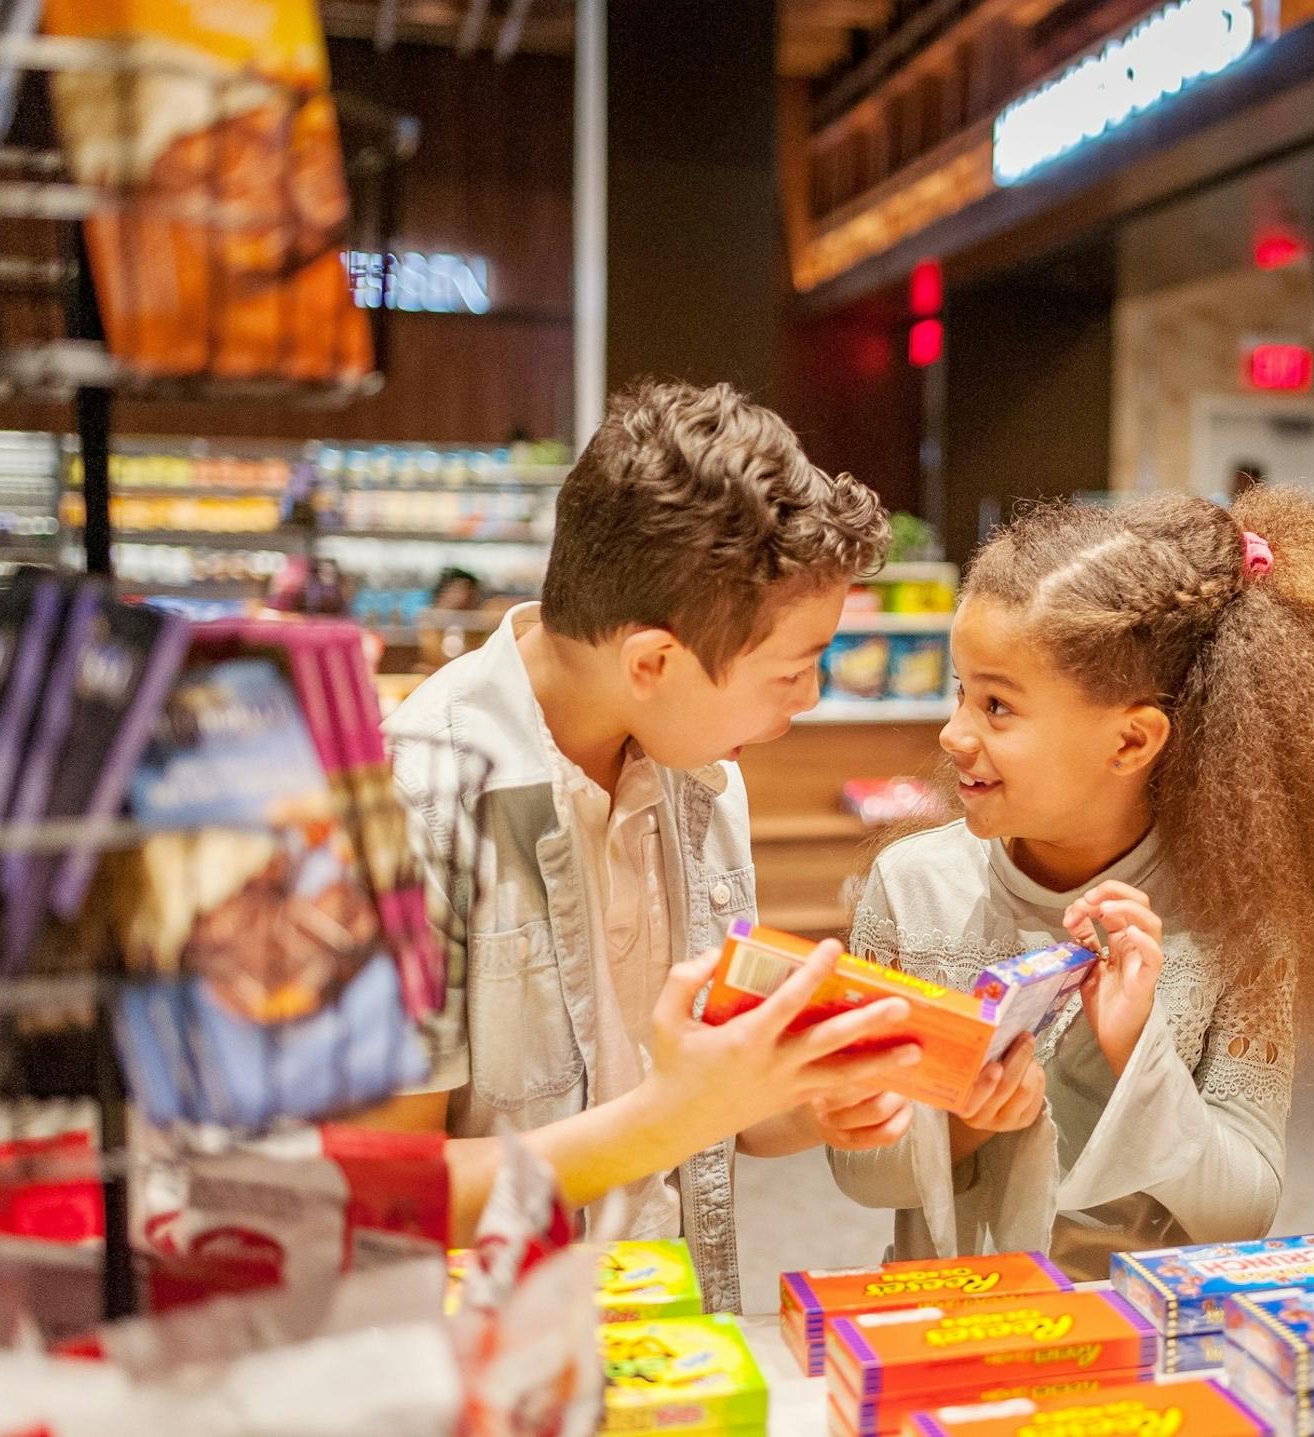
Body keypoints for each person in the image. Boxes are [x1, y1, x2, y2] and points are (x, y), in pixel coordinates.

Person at [378, 380, 919, 1311]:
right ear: (653, 663)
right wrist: (670, 1116)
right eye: (793, 669)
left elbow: (714, 1116)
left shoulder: (700, 772)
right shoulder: (415, 802)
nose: (811, 698)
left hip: (674, 1339)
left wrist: (802, 1100)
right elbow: (387, 1202)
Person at [825, 488, 1314, 1278]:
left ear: (1131, 739)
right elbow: (853, 1165)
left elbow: (1245, 1203)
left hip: (1152, 1338)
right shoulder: (911, 889)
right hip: (953, 1331)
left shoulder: (1239, 918)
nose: (953, 734)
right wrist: (962, 1116)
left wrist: (1136, 1052)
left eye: (997, 705)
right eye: (960, 692)